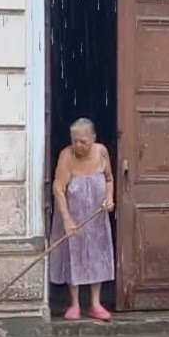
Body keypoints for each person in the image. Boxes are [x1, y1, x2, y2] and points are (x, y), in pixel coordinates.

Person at [51, 117, 115, 321]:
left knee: (96, 255)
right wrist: (67, 220)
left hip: (95, 218)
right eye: (75, 140)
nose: (79, 145)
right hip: (74, 218)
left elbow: (109, 179)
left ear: (93, 138)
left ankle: (96, 304)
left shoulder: (102, 152)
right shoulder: (66, 156)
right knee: (74, 256)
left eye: (83, 141)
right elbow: (59, 190)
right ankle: (75, 304)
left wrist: (109, 198)